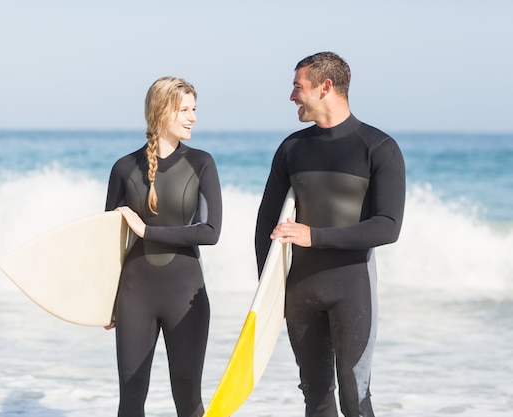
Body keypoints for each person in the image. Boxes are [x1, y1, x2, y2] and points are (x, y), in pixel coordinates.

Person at [255, 52, 405, 417]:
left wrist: (314, 236)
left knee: (355, 396)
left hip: (351, 288)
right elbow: (265, 225)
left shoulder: (378, 148)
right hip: (300, 292)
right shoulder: (293, 148)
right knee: (316, 397)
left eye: (297, 87)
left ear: (325, 87)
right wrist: (267, 290)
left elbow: (387, 226)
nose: (292, 97)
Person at [105, 76, 222, 417]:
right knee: (130, 400)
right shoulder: (124, 168)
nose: (193, 117)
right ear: (161, 111)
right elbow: (108, 244)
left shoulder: (201, 163)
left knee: (188, 400)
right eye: (184, 109)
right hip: (133, 297)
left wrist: (147, 231)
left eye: (194, 109)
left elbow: (210, 232)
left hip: (185, 297)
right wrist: (102, 299)